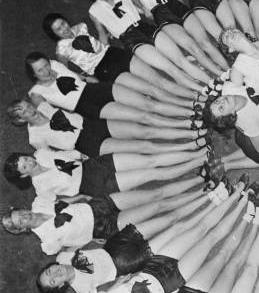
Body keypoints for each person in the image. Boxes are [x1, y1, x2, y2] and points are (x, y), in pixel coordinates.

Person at [84, 184, 253, 293]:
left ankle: (236, 194)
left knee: (197, 229)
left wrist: (119, 283)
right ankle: (244, 206)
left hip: (154, 266)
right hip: (171, 281)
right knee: (210, 239)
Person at [34, 176, 214, 293]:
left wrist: (92, 241)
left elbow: (78, 243)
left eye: (50, 272)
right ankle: (211, 205)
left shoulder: (62, 257)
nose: (55, 275)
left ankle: (205, 193)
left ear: (53, 266)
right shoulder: (82, 291)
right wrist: (120, 284)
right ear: (59, 287)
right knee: (176, 229)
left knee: (166, 214)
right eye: (53, 281)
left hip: (116, 243)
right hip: (126, 262)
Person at [1, 170, 208, 255]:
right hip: (103, 228)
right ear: (22, 229)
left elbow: (61, 201)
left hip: (97, 206)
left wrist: (81, 198)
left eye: (21, 213)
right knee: (158, 208)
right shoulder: (47, 243)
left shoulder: (40, 202)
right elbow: (68, 251)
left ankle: (202, 178)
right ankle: (204, 194)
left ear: (22, 209)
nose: (25, 217)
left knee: (154, 195)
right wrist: (91, 242)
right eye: (21, 222)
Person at [87, 0, 213, 89]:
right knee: (170, 69)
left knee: (181, 59)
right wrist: (102, 56)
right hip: (131, 38)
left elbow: (133, 5)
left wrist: (144, 8)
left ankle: (213, 83)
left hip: (144, 27)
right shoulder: (94, 10)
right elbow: (101, 33)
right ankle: (205, 90)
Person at [42, 13, 194, 104]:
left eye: (63, 23)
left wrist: (102, 35)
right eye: (58, 29)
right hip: (102, 69)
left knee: (159, 80)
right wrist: (83, 78)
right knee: (150, 90)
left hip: (114, 53)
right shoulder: (61, 48)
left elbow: (100, 39)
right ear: (54, 34)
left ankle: (194, 96)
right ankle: (185, 105)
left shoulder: (81, 27)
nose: (64, 29)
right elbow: (64, 70)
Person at [26, 52, 195, 124]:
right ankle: (187, 123)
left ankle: (191, 108)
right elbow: (48, 116)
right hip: (87, 106)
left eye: (45, 65)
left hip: (96, 89)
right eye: (39, 70)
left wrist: (85, 77)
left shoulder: (55, 64)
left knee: (148, 98)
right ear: (33, 74)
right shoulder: (36, 92)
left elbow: (74, 75)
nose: (46, 70)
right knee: (144, 116)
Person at [7, 98, 205, 157]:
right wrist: (78, 155)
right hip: (86, 143)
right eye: (24, 112)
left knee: (143, 128)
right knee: (141, 147)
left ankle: (187, 126)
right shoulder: (34, 138)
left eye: (27, 106)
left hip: (90, 123)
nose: (30, 110)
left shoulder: (42, 105)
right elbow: (52, 157)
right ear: (21, 120)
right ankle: (189, 147)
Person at [3, 146, 210, 199]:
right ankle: (198, 162)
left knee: (149, 159)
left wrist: (82, 156)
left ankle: (198, 156)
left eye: (25, 158)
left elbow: (66, 153)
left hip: (93, 165)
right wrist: (81, 196)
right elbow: (61, 203)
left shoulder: (41, 153)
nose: (29, 162)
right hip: (94, 185)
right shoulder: (41, 189)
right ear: (23, 176)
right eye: (24, 167)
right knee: (150, 173)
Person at [201, 81, 259, 165]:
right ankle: (227, 165)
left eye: (216, 101)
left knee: (247, 146)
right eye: (221, 108)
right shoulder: (248, 120)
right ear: (230, 114)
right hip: (256, 135)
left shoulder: (228, 87)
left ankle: (222, 160)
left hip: (247, 133)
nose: (221, 102)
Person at [220, 28, 259, 111]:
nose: (229, 32)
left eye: (231, 29)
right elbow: (241, 98)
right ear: (230, 49)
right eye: (226, 37)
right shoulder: (237, 70)